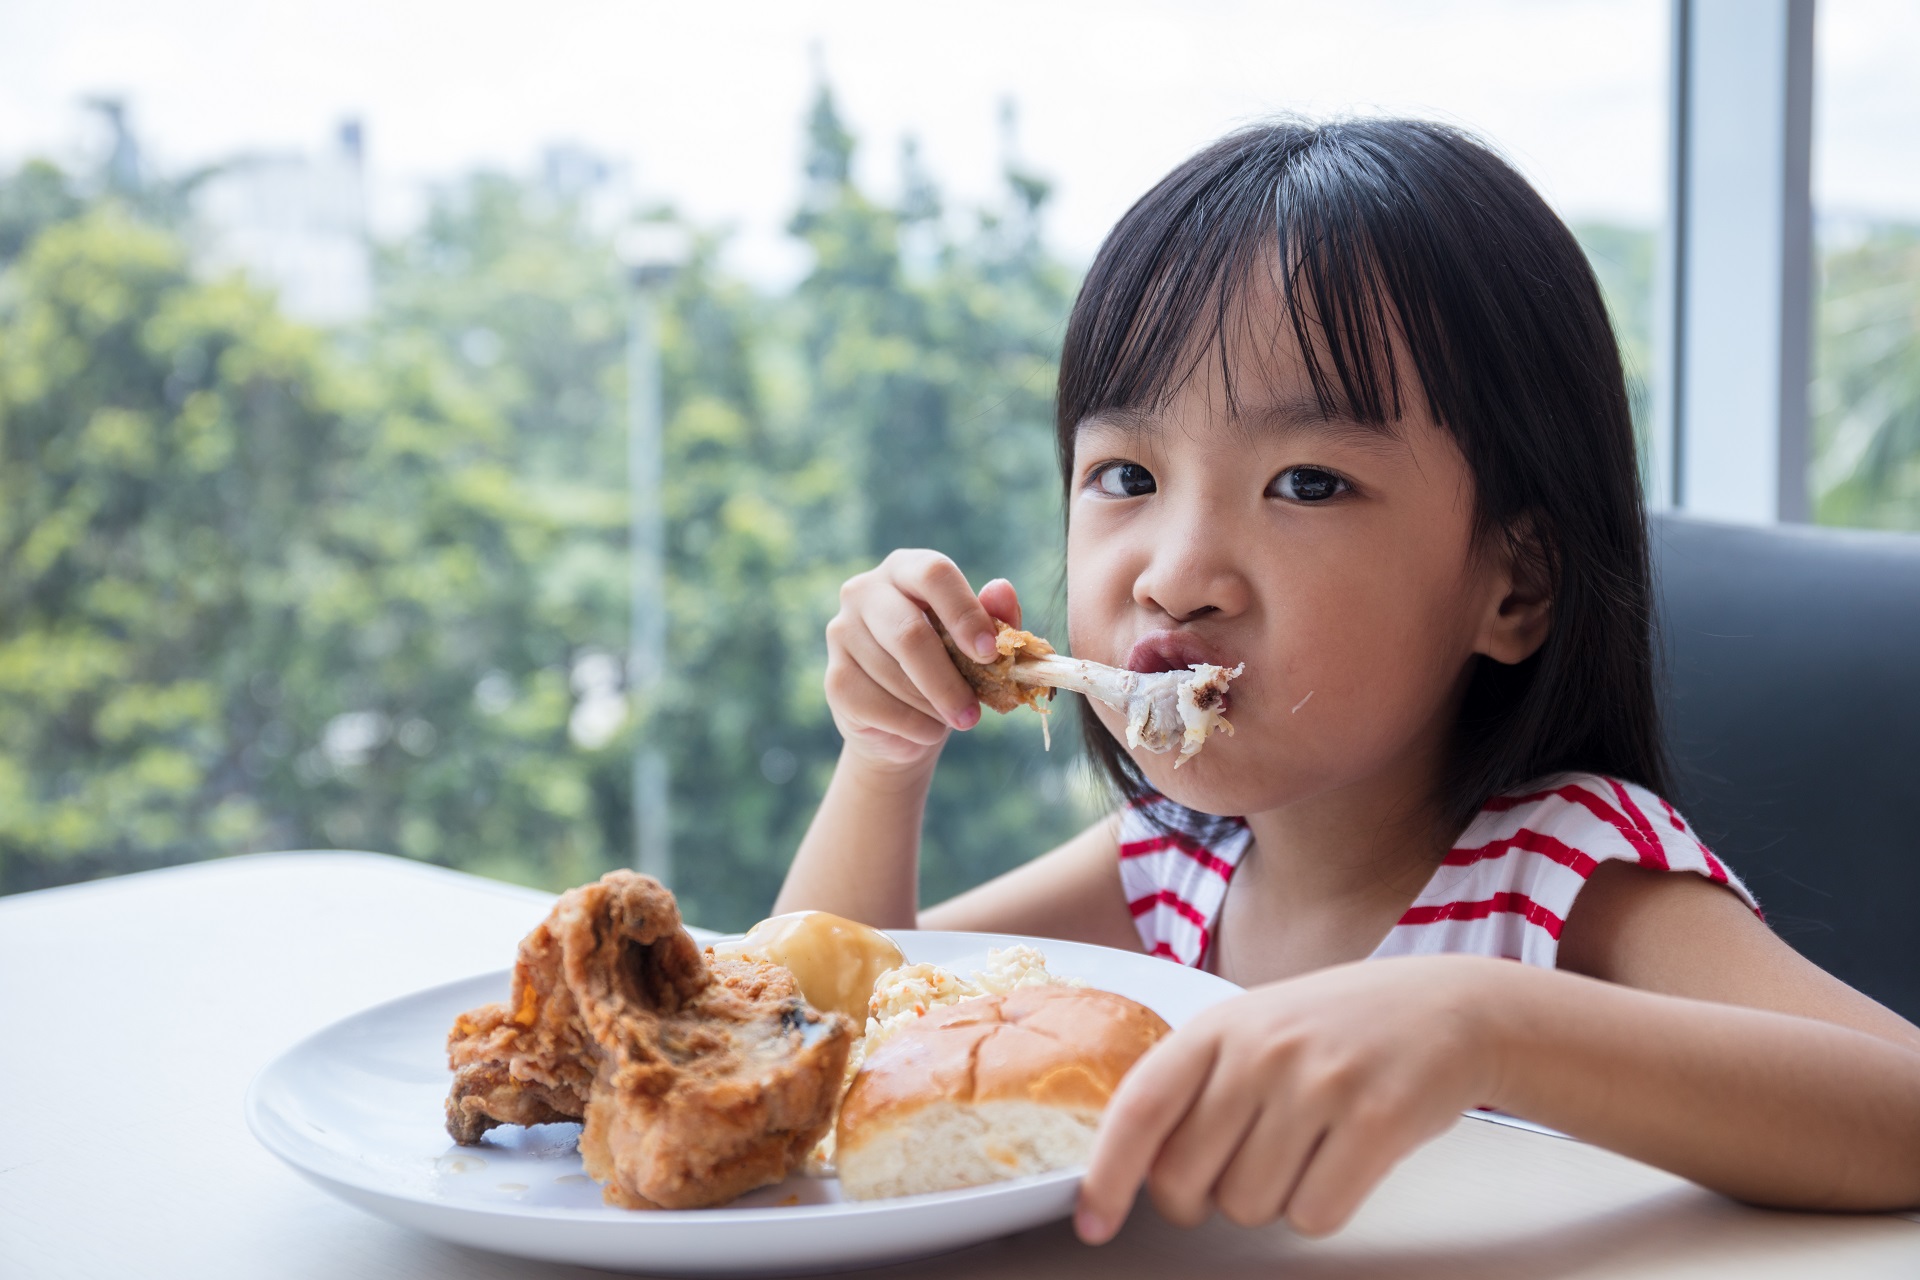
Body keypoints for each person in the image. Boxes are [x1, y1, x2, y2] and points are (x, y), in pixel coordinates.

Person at [773, 119, 1920, 1242]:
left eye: (1307, 484)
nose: (1175, 577)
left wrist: (1490, 1023)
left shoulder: (1562, 875)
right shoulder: (1169, 869)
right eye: (1127, 472)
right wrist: (885, 759)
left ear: (1512, 589)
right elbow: (802, 1042)